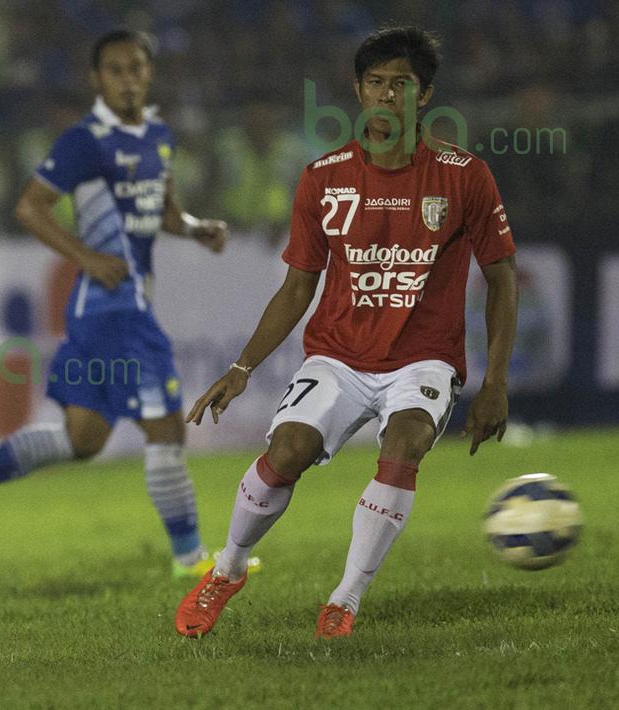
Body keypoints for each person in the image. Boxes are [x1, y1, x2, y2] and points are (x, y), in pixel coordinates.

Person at [174, 26, 518, 639]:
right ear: (359, 91)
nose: (388, 96)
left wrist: (495, 379)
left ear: (426, 94)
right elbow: (297, 287)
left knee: (405, 443)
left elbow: (502, 277)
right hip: (337, 355)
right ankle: (226, 570)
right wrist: (242, 367)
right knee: (286, 453)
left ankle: (346, 598)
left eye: (402, 84)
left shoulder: (464, 176)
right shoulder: (323, 178)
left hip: (423, 359)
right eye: (377, 83)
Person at [0, 29, 250, 580]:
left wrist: (195, 228)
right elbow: (31, 207)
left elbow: (160, 210)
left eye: (137, 68)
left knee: (83, 440)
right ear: (96, 79)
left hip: (112, 310)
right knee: (167, 428)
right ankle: (191, 559)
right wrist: (86, 257)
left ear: (149, 73)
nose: (128, 79)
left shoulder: (158, 136)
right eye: (116, 70)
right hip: (112, 307)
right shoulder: (86, 140)